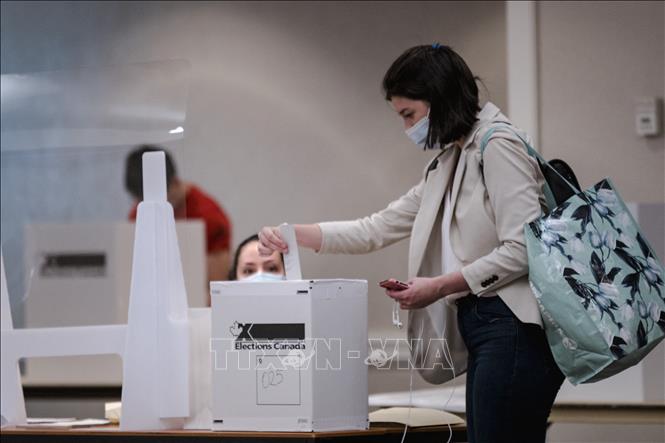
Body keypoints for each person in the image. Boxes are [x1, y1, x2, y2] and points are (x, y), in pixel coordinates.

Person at [258, 44, 564, 443]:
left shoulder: (498, 145)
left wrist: (438, 286)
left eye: (410, 115)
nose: (407, 129)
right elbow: (377, 227)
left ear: (439, 99)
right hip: (486, 325)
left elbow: (524, 247)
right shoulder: (448, 163)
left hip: (513, 325)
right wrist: (295, 234)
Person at [125, 145, 233, 290]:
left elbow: (216, 288)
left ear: (175, 183)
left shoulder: (209, 217)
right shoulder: (139, 214)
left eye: (157, 198)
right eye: (141, 201)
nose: (150, 207)